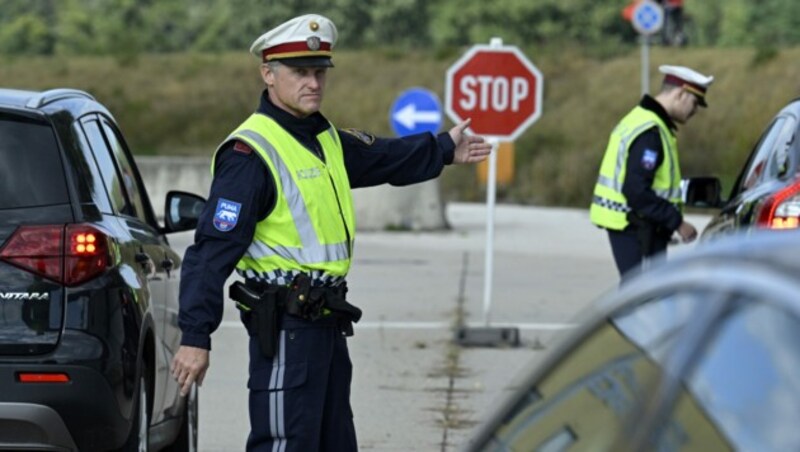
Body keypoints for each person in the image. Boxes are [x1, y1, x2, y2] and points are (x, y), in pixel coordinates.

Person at [169, 13, 492, 451]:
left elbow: (384, 156)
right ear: (268, 74)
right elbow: (211, 251)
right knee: (285, 444)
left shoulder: (325, 139)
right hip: (284, 327)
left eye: (319, 72)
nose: (313, 83)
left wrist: (444, 147)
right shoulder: (250, 154)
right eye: (300, 72)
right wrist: (195, 335)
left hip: (325, 322)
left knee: (333, 443)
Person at [589, 64, 713, 279]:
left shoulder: (640, 119)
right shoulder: (651, 132)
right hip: (637, 227)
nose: (695, 111)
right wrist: (677, 222)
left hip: (635, 225)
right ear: (680, 94)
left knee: (639, 295)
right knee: (643, 296)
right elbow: (636, 190)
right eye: (694, 103)